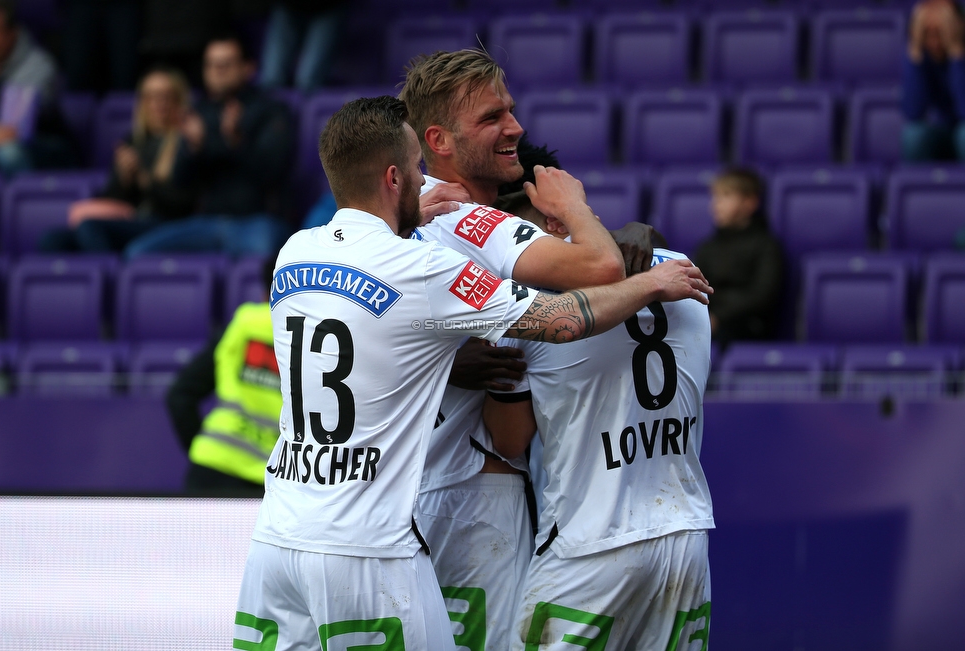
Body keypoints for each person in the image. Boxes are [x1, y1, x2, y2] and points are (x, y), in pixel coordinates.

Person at [233, 95, 712, 651]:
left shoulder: (295, 252)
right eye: (418, 174)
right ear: (394, 178)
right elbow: (561, 318)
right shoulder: (425, 269)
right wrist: (651, 281)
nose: (430, 187)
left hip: (277, 537)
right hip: (372, 546)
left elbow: (374, 337)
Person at [398, 48, 669, 650]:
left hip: (398, 502)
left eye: (511, 111)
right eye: (493, 117)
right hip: (470, 492)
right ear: (438, 139)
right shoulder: (466, 220)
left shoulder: (385, 217)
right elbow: (599, 265)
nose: (515, 128)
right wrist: (589, 221)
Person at [483, 202, 714, 651]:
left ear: (546, 226)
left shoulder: (536, 305)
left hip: (588, 542)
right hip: (684, 536)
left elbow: (508, 439)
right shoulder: (684, 274)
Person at [122, 32, 296, 260]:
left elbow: (272, 172)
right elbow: (180, 181)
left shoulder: (271, 110)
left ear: (249, 67)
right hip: (205, 222)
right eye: (211, 64)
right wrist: (191, 149)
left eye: (226, 64)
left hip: (255, 221)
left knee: (265, 259)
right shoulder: (198, 112)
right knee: (137, 255)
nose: (218, 70)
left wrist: (236, 142)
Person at [38, 67, 197, 253]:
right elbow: (112, 200)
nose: (157, 104)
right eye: (150, 96)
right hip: (133, 220)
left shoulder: (186, 142)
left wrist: (143, 179)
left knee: (91, 227)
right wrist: (124, 178)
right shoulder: (134, 141)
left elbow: (185, 203)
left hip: (166, 223)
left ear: (178, 100)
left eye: (164, 96)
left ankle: (111, 279)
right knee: (52, 240)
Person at [165, 259, 278, 498]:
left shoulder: (244, 324)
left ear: (264, 290)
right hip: (273, 481)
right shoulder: (317, 338)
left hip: (213, 467)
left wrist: (202, 448)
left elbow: (180, 396)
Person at [693, 167, 783, 350]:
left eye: (725, 196)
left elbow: (762, 295)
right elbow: (694, 287)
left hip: (747, 327)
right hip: (709, 320)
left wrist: (719, 316)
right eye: (715, 197)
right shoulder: (708, 247)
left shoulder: (766, 246)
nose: (715, 205)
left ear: (750, 202)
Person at [0, 0, 65, 176]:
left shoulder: (39, 66)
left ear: (11, 33)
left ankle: (21, 200)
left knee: (9, 153)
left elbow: (12, 127)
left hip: (43, 144)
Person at [902, 0, 965, 161]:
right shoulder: (919, 58)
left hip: (960, 132)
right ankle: (918, 185)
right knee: (914, 135)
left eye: (941, 32)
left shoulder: (959, 53)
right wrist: (915, 55)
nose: (935, 42)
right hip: (938, 132)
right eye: (927, 33)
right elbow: (913, 112)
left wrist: (957, 57)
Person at [258, 0, 347, 94]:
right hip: (288, 6)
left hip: (329, 8)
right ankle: (267, 107)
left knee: (307, 81)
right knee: (271, 78)